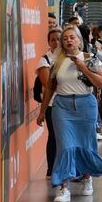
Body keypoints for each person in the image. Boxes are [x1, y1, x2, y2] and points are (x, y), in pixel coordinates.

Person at [37, 25, 102, 202]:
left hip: (85, 105)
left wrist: (83, 68)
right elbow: (49, 88)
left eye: (72, 37)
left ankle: (87, 178)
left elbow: (101, 84)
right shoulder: (57, 61)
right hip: (62, 106)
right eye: (65, 38)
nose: (68, 40)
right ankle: (64, 187)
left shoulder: (89, 59)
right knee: (64, 146)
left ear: (79, 40)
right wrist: (42, 111)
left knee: (85, 144)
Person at [36, 28, 61, 179]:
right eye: (53, 40)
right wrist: (42, 111)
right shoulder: (44, 60)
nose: (56, 42)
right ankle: (51, 170)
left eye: (59, 39)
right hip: (53, 105)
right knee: (54, 137)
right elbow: (48, 85)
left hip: (68, 105)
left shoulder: (70, 58)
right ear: (48, 42)